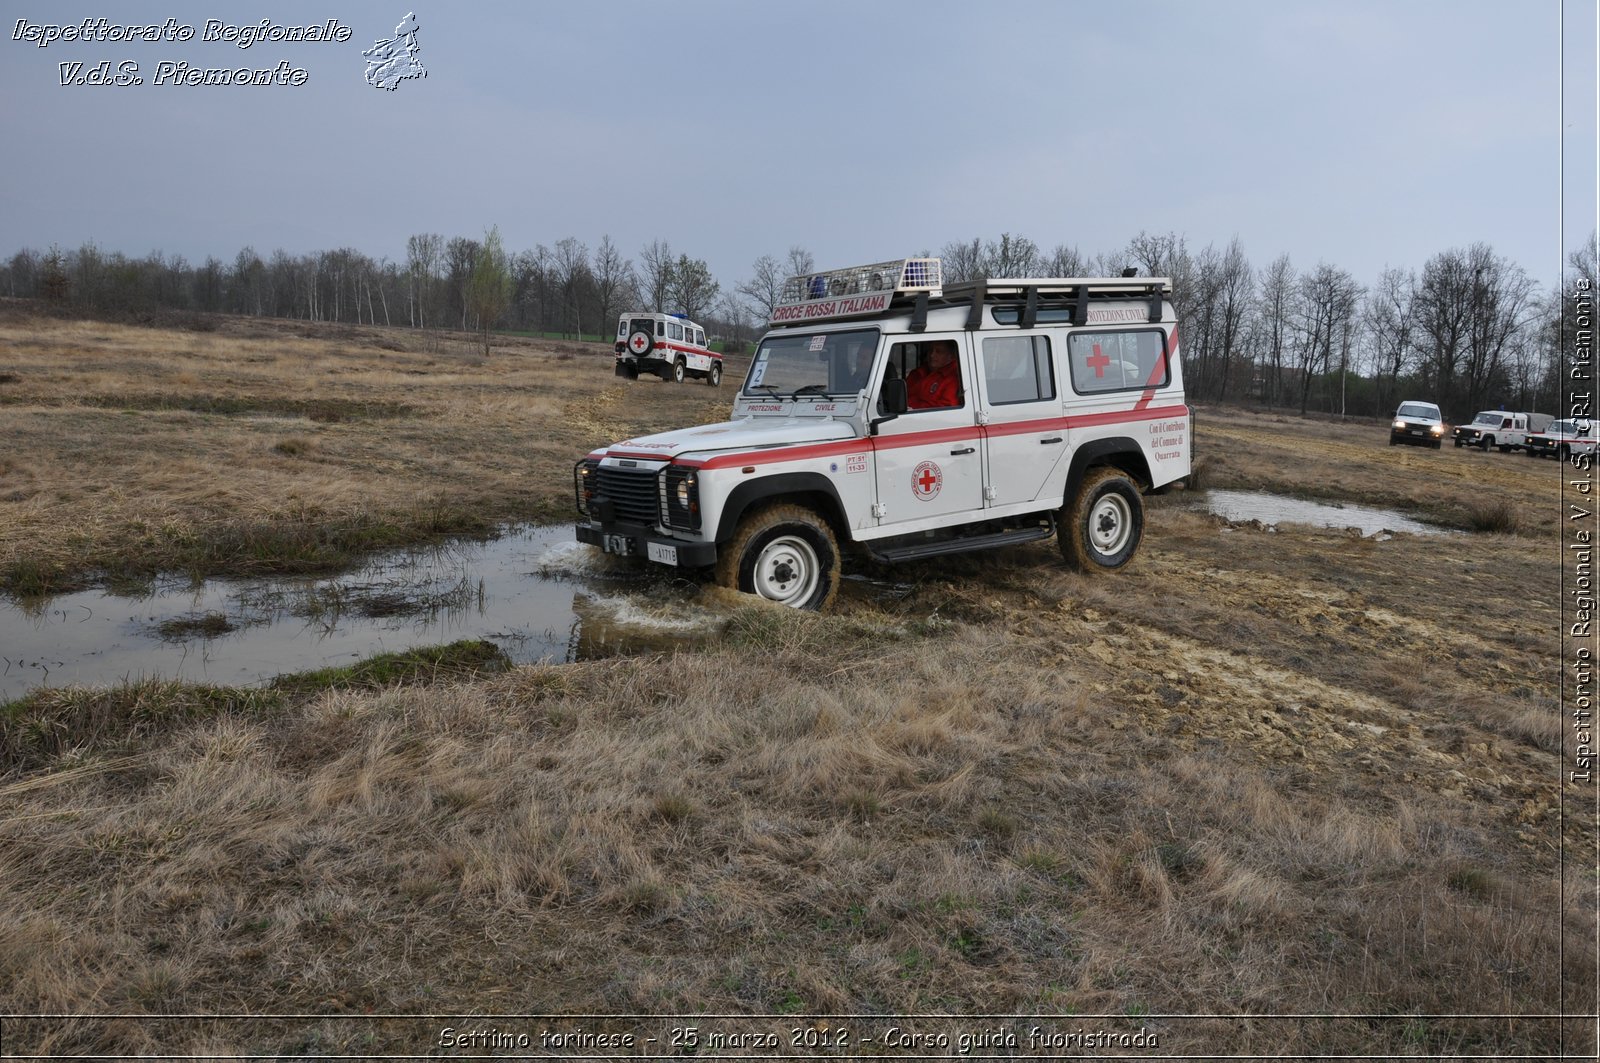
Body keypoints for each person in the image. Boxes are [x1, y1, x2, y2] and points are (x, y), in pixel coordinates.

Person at [905, 339, 960, 409]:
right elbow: (900, 397)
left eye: (938, 352)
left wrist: (913, 407)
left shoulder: (954, 377)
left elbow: (947, 409)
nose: (932, 355)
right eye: (930, 350)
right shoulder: (917, 373)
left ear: (951, 356)